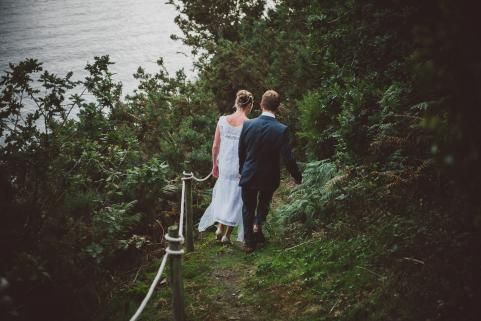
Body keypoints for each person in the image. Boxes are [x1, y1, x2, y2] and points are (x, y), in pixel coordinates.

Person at [238, 90, 302, 252]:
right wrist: (297, 176)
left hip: (249, 172)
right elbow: (288, 158)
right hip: (269, 175)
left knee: (248, 207)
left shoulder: (248, 124)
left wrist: (242, 170)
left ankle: (248, 243)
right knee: (264, 204)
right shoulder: (281, 129)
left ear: (261, 104)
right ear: (277, 107)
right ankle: (257, 225)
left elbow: (241, 151)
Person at [198, 90, 254, 244]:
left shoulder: (222, 120)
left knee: (223, 195)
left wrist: (214, 164)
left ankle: (219, 228)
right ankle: (226, 235)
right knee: (236, 199)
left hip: (224, 165)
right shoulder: (249, 124)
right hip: (239, 167)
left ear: (236, 102)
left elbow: (215, 146)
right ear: (249, 105)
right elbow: (249, 149)